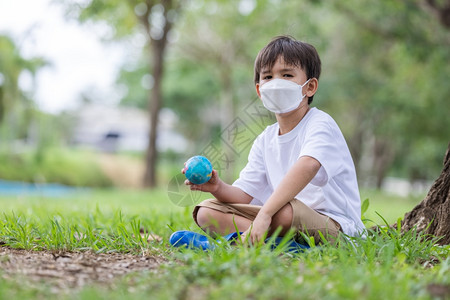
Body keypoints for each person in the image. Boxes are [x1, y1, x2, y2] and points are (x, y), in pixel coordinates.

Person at [184, 35, 365, 245]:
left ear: (310, 87)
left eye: (287, 74)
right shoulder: (265, 139)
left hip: (335, 227)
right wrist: (217, 187)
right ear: (260, 90)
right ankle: (275, 245)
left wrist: (265, 214)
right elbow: (244, 194)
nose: (276, 83)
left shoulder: (320, 123)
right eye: (268, 77)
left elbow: (308, 165)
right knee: (206, 211)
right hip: (280, 218)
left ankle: (236, 242)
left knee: (283, 211)